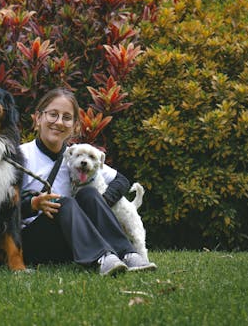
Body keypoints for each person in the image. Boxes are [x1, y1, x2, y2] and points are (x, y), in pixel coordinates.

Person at [20, 88, 156, 275]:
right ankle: (102, 257)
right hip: (32, 243)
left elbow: (121, 181)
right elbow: (2, 208)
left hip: (70, 242)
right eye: (53, 114)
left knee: (89, 193)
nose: (59, 122)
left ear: (75, 126)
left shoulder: (76, 156)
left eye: (67, 117)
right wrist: (33, 204)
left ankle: (127, 254)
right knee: (65, 203)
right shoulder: (21, 156)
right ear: (37, 118)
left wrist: (103, 202)